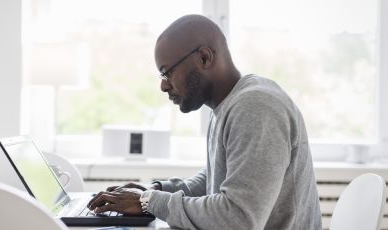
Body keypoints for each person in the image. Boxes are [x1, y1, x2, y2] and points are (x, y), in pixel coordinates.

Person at [88, 14, 322, 230]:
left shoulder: (256, 106)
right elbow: (219, 178)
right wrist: (157, 191)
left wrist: (150, 202)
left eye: (166, 72)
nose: (163, 85)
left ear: (204, 57)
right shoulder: (230, 104)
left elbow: (239, 218)